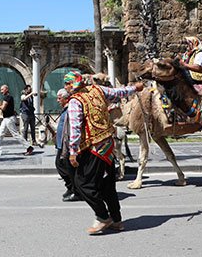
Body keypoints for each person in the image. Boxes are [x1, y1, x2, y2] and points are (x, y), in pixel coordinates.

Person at [64, 70, 146, 235]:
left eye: (67, 83)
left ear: (71, 84)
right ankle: (117, 220)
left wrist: (73, 151)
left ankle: (103, 216)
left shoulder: (75, 101)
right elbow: (118, 92)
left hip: (93, 147)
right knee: (107, 185)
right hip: (108, 145)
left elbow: (75, 127)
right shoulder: (98, 89)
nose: (65, 87)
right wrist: (135, 88)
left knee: (82, 184)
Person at [0, 84, 34, 159]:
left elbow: (3, 108)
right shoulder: (8, 97)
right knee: (0, 134)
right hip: (6, 119)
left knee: (15, 134)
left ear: (6, 89)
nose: (1, 91)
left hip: (9, 119)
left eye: (2, 89)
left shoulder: (7, 97)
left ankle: (29, 147)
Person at [55, 88, 80, 202]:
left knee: (70, 169)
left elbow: (73, 128)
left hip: (68, 144)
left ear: (66, 99)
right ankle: (71, 187)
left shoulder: (71, 109)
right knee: (60, 165)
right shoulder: (65, 109)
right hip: (61, 144)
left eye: (59, 98)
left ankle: (76, 191)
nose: (57, 100)